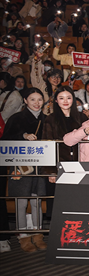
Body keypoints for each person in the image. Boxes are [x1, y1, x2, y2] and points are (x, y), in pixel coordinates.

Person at [2, 88, 47, 252]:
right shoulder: (16, 118)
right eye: (32, 99)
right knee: (20, 202)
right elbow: (4, 141)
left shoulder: (46, 119)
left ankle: (38, 234)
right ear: (25, 101)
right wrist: (23, 136)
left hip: (40, 165)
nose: (37, 103)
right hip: (20, 166)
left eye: (40, 99)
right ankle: (23, 236)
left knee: (37, 201)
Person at [42, 86, 88, 218]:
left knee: (79, 201)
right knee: (59, 204)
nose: (65, 101)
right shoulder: (50, 119)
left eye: (68, 97)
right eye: (61, 98)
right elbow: (47, 146)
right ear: (56, 101)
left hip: (80, 165)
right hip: (59, 165)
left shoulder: (81, 117)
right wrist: (51, 171)